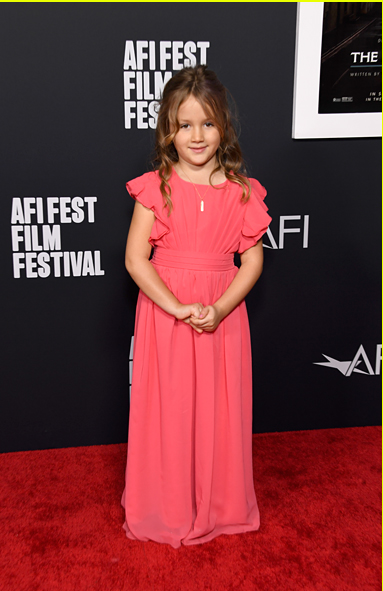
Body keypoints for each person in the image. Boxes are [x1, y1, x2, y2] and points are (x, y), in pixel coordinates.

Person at [122, 65, 271, 548]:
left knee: (219, 411)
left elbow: (251, 263)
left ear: (223, 126)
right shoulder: (155, 187)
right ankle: (164, 505)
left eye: (207, 123)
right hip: (167, 317)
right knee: (169, 410)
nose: (197, 135)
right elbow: (135, 259)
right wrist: (178, 307)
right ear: (169, 129)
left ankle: (222, 504)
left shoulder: (243, 191)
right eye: (185, 124)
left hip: (221, 318)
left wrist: (221, 308)